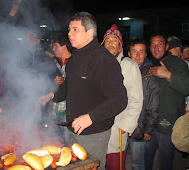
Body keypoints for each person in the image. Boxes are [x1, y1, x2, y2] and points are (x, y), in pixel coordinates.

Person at [36, 12, 127, 170]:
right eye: (69, 29)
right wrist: (51, 95)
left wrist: (91, 117)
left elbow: (119, 99)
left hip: (94, 133)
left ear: (90, 32)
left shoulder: (104, 60)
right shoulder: (74, 60)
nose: (70, 33)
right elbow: (67, 87)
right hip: (72, 129)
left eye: (75, 29)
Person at [145, 33, 189, 170]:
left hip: (167, 124)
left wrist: (168, 75)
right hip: (149, 124)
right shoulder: (148, 64)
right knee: (146, 160)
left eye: (160, 44)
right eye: (153, 44)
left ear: (166, 46)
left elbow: (187, 87)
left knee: (165, 162)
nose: (156, 48)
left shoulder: (178, 64)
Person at [102, 25, 143, 170]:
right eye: (107, 40)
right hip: (98, 128)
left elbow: (136, 99)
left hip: (117, 128)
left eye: (114, 40)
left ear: (120, 44)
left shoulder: (128, 65)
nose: (110, 43)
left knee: (115, 165)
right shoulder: (98, 64)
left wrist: (126, 125)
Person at [128, 39, 159, 170]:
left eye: (141, 52)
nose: (138, 55)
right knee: (120, 159)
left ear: (146, 54)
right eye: (134, 52)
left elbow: (154, 104)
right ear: (129, 54)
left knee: (137, 163)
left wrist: (148, 129)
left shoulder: (150, 74)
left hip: (139, 128)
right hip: (123, 126)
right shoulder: (124, 69)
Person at [49, 34, 72, 141]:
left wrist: (65, 81)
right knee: (54, 142)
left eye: (55, 46)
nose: (53, 48)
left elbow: (79, 89)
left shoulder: (75, 63)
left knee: (67, 144)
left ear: (64, 47)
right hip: (53, 110)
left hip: (67, 113)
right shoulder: (55, 63)